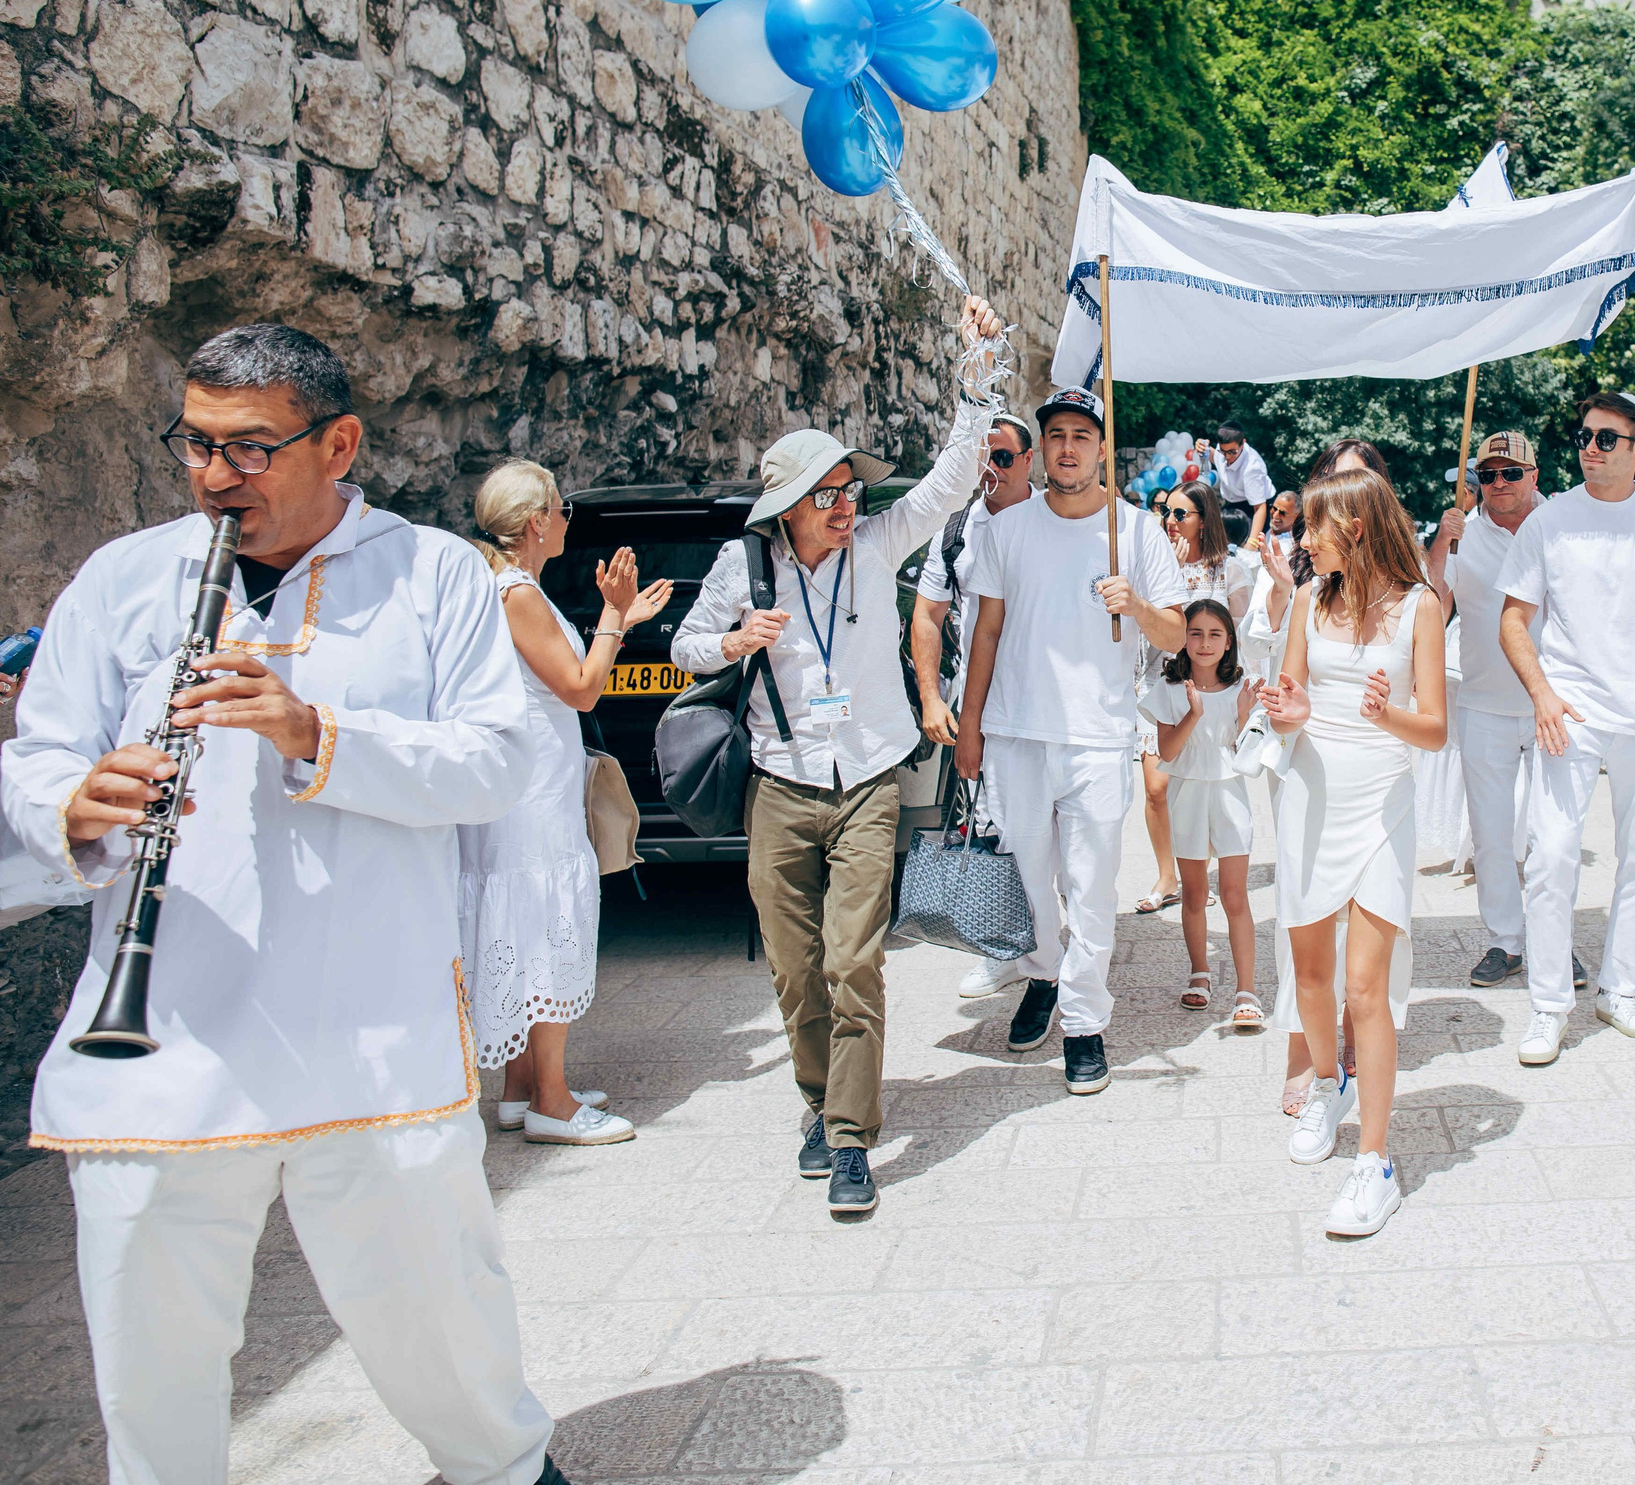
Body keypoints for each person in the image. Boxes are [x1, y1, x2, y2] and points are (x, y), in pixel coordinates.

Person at [2, 324, 570, 1485]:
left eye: (251, 449)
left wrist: (319, 734)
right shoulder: (121, 579)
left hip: (370, 1031)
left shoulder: (435, 575)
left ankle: (503, 1469)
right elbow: (38, 752)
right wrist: (76, 803)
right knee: (149, 1356)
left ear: (339, 442)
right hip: (162, 1038)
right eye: (198, 446)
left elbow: (498, 762)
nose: (217, 477)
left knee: (438, 1316)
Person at [671, 298, 1005, 1218]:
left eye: (851, 490)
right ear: (790, 505)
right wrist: (736, 641)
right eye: (831, 494)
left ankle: (852, 1136)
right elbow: (682, 650)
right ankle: (817, 1100)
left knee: (853, 959)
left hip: (865, 781)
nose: (849, 505)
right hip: (779, 785)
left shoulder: (875, 545)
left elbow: (946, 481)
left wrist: (974, 379)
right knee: (793, 963)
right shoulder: (747, 567)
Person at [956, 386, 1187, 1098]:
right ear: (1042, 447)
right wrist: (968, 728)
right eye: (1054, 434)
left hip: (1097, 735)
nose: (1066, 447)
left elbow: (1177, 635)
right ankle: (1045, 974)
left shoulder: (1136, 532)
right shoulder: (1007, 529)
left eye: (1080, 436)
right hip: (1018, 729)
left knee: (1089, 887)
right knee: (1030, 883)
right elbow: (985, 631)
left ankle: (1085, 1023)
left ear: (1100, 448)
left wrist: (1136, 604)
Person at [461, 461, 673, 1148]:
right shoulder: (517, 591)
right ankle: (553, 1100)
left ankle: (521, 1090)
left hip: (522, 789)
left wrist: (623, 614)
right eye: (561, 507)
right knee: (548, 932)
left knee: (523, 933)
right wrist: (614, 613)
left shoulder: (502, 586)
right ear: (534, 523)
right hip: (532, 802)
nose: (567, 519)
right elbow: (582, 689)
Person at [1261, 469, 1448, 1238]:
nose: (1304, 541)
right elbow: (1289, 701)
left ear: (1358, 527)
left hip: (1380, 802)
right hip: (1310, 791)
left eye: (1315, 527)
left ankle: (1375, 1161)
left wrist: (1388, 712)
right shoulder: (1310, 598)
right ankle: (1328, 1084)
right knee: (1310, 972)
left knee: (1365, 988)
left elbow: (1435, 729)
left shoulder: (1420, 607)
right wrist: (1288, 711)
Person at [1497, 394, 1635, 1065]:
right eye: (1585, 436)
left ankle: (1620, 988)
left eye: (1607, 438)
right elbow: (1512, 619)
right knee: (1553, 854)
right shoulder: (1551, 521)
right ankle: (1549, 1004)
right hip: (1572, 713)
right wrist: (1543, 694)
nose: (1591, 447)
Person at [911, 413, 1039, 1002]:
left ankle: (1055, 955)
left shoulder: (1054, 519)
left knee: (1055, 836)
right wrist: (933, 696)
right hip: (982, 708)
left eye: (1004, 457)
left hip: (1051, 706)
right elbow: (928, 615)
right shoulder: (955, 530)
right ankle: (1005, 945)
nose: (991, 468)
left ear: (1028, 461)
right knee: (990, 825)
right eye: (982, 457)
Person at [1425, 431, 1550, 988]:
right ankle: (1506, 941)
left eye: (1511, 473)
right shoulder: (1462, 537)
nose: (1499, 484)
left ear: (1534, 476)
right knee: (1492, 834)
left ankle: (1553, 939)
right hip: (1483, 703)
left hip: (1556, 705)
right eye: (1488, 475)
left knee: (1553, 836)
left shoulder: (1563, 525)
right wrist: (1438, 543)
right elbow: (1430, 606)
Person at [1139, 481, 1256, 914]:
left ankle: (1193, 872)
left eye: (1179, 514)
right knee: (1155, 787)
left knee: (1196, 784)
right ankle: (1168, 875)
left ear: (1203, 519)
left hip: (1210, 689)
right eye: (1165, 513)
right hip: (1162, 679)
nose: (1169, 521)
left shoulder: (1231, 569)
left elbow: (1239, 633)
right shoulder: (1156, 565)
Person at [1145, 600, 1262, 1025]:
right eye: (1195, 633)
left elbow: (1248, 754)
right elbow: (1167, 752)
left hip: (1230, 793)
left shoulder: (1240, 688)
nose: (1205, 642)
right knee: (1194, 894)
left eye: (1215, 634)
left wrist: (1245, 716)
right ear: (1183, 639)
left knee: (1235, 895)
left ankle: (1246, 989)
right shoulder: (1170, 690)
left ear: (1229, 641)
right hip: (1188, 794)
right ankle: (1200, 973)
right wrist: (1194, 715)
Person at [1213, 422, 1277, 548]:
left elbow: (1259, 508)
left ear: (1243, 443)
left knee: (1246, 548)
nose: (1227, 456)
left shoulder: (1252, 468)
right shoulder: (1223, 449)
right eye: (1223, 451)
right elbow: (1215, 458)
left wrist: (1252, 542)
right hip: (1233, 501)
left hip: (1256, 507)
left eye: (1232, 452)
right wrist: (1203, 449)